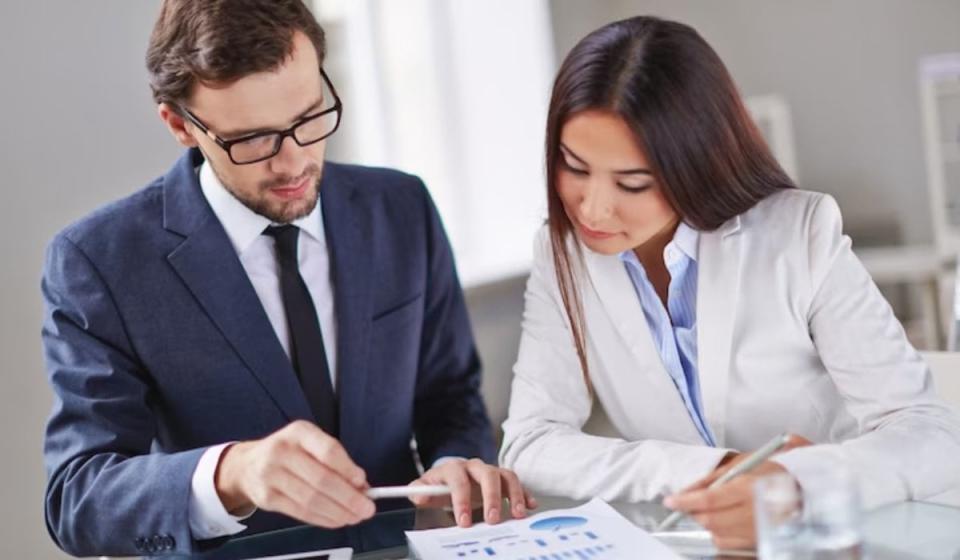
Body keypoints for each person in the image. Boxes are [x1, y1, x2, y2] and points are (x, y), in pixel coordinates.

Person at [40, 1, 532, 557]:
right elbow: (76, 497)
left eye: (308, 117)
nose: (294, 162)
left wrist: (454, 465)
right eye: (252, 139)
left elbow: (451, 398)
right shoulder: (99, 261)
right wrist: (233, 472)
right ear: (180, 124)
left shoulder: (401, 208)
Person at [499, 15, 960, 549]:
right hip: (687, 542)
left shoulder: (800, 233)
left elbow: (930, 434)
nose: (594, 207)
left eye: (633, 182)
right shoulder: (561, 254)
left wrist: (798, 485)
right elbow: (531, 443)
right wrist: (717, 469)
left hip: (838, 539)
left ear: (695, 165)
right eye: (574, 167)